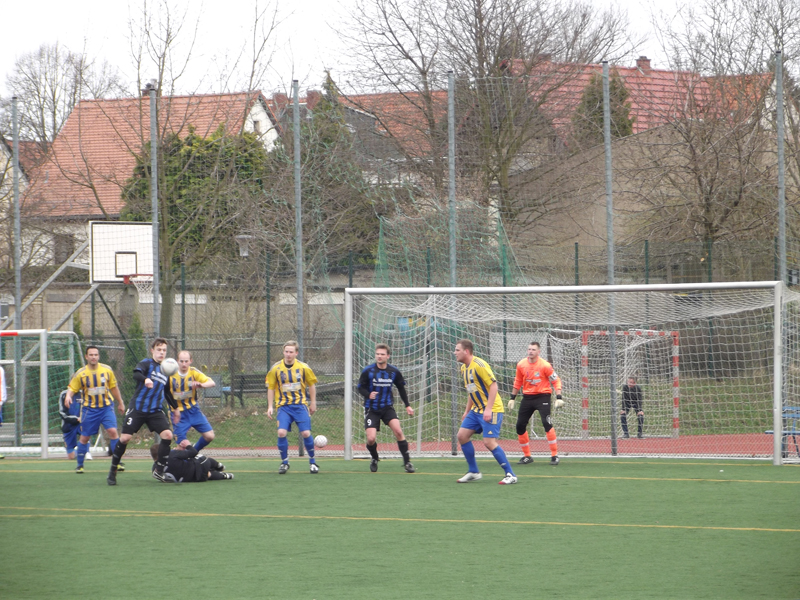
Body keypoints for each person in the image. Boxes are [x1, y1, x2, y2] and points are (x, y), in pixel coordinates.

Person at [108, 337, 176, 486]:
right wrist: (145, 379)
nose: (161, 353)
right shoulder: (146, 363)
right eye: (159, 350)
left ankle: (159, 471)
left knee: (167, 435)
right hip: (138, 409)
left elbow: (168, 392)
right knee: (125, 438)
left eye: (164, 350)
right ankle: (113, 469)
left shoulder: (166, 370)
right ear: (152, 350)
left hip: (155, 411)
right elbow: (136, 374)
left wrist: (175, 409)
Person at [453, 339, 517, 485]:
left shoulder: (480, 365)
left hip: (492, 409)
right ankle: (474, 471)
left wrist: (488, 409)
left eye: (457, 350)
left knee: (489, 442)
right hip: (476, 411)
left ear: (466, 351)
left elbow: (494, 386)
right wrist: (466, 411)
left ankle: (510, 474)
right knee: (462, 436)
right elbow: (472, 391)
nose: (454, 353)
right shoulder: (464, 368)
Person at [64, 346, 125, 474]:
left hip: (106, 408)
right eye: (91, 355)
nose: (93, 357)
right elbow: (72, 388)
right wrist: (68, 396)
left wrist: (120, 402)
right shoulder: (81, 373)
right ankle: (80, 465)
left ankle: (117, 462)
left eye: (96, 355)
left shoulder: (107, 370)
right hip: (89, 410)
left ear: (98, 356)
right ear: (86, 357)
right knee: (85, 437)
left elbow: (114, 387)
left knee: (113, 432)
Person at [357, 344, 415, 473]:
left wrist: (407, 405)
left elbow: (401, 388)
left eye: (382, 354)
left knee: (398, 432)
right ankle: (374, 458)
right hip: (371, 409)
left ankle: (407, 463)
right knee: (371, 439)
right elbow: (360, 387)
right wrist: (368, 394)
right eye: (378, 354)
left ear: (388, 356)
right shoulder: (368, 371)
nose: (379, 356)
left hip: (387, 408)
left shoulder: (393, 371)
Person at [266, 340, 319, 474]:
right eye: (286, 351)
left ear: (296, 353)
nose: (288, 354)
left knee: (306, 433)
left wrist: (313, 403)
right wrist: (270, 406)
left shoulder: (304, 367)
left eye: (291, 352)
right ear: (283, 352)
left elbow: (311, 385)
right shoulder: (276, 368)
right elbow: (271, 387)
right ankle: (285, 462)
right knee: (281, 432)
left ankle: (313, 462)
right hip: (284, 407)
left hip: (300, 406)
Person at [507, 342, 563, 466]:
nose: (530, 351)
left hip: (543, 396)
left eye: (533, 349)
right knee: (520, 426)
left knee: (546, 423)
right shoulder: (521, 364)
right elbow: (518, 381)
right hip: (527, 397)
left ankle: (554, 455)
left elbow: (555, 380)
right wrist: (512, 398)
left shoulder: (545, 365)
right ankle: (527, 456)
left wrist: (559, 396)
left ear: (539, 352)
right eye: (529, 349)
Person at [169, 350, 217, 451]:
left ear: (191, 361)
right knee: (181, 447)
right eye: (181, 361)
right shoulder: (171, 374)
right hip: (178, 413)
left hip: (193, 410)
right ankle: (168, 461)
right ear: (177, 361)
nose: (184, 364)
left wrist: (201, 385)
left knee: (209, 436)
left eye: (186, 361)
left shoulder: (193, 372)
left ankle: (194, 452)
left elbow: (212, 383)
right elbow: (165, 392)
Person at [151, 439, 233, 483]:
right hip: (198, 467)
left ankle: (225, 476)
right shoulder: (172, 454)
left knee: (207, 474)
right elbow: (193, 452)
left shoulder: (154, 469)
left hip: (191, 479)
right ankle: (219, 466)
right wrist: (188, 445)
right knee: (203, 459)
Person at [58, 389, 93, 461]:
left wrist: (83, 418)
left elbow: (89, 409)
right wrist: (75, 419)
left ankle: (87, 452)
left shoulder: (83, 394)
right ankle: (80, 452)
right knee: (71, 456)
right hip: (68, 425)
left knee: (85, 429)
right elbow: (62, 413)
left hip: (80, 423)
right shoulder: (64, 394)